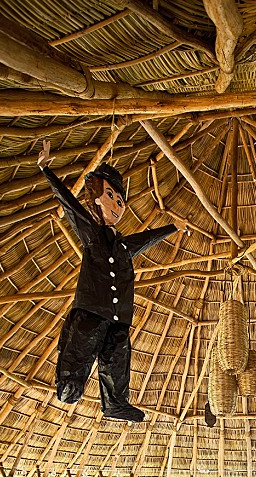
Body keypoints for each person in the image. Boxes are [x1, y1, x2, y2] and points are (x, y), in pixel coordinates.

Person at [37, 139, 188, 422]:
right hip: (91, 311)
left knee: (116, 361)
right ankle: (70, 384)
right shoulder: (93, 235)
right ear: (96, 198)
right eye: (112, 198)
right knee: (79, 350)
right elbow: (71, 207)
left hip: (119, 319)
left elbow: (146, 239)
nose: (118, 206)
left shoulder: (122, 246)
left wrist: (172, 228)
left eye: (120, 201)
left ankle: (115, 403)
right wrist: (47, 171)